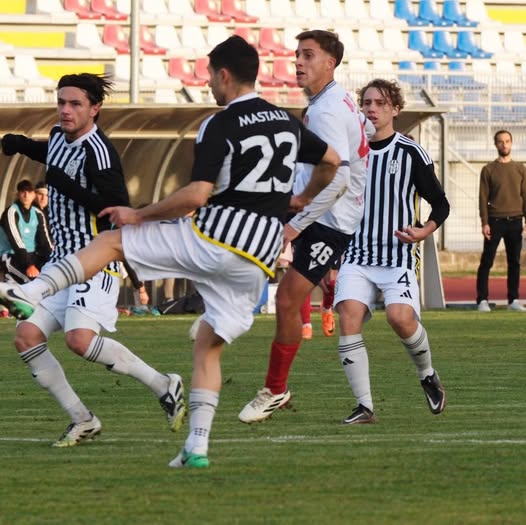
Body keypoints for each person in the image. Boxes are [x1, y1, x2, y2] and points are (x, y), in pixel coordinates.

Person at [0, 36, 341, 468]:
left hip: (217, 237)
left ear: (223, 75)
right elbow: (332, 160)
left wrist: (140, 215)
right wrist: (303, 199)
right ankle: (195, 447)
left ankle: (30, 292)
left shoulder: (218, 124)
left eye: (210, 76)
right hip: (260, 255)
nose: (209, 84)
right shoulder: (286, 121)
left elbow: (196, 196)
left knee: (112, 242)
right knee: (207, 342)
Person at [0, 73, 185, 448]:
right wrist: (21, 145)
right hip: (60, 261)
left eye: (75, 104)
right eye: (61, 102)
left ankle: (164, 384)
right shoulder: (58, 135)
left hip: (94, 259)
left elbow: (118, 210)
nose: (65, 111)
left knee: (79, 340)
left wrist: (66, 186)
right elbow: (52, 155)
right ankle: (82, 419)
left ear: (95, 109)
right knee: (26, 336)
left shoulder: (99, 154)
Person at [239, 29, 369, 424]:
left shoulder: (327, 110)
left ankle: (275, 389)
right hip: (317, 209)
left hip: (329, 220)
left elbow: (339, 177)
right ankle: (222, 312)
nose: (297, 61)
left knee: (287, 299)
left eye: (308, 55)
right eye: (297, 54)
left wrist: (296, 224)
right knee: (240, 234)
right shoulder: (330, 101)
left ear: (330, 63)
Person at [334, 78, 450, 424]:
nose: (372, 109)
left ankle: (427, 374)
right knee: (348, 315)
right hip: (357, 254)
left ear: (395, 110)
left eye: (380, 103)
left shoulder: (410, 152)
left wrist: (423, 231)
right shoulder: (350, 151)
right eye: (367, 103)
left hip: (397, 256)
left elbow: (440, 204)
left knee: (400, 318)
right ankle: (365, 406)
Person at [476, 130, 526, 312]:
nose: (504, 144)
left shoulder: (520, 168)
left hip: (516, 221)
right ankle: (482, 300)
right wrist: (485, 222)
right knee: (487, 261)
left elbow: (525, 195)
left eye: (507, 141)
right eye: (500, 141)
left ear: (511, 143)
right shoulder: (488, 169)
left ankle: (513, 300)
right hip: (495, 221)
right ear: (495, 144)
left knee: (514, 262)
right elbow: (483, 198)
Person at [0, 179, 53, 283]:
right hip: (11, 255)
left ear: (33, 195)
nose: (26, 195)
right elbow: (16, 242)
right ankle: (10, 280)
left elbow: (44, 241)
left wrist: (53, 259)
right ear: (18, 194)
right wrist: (29, 265)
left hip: (31, 256)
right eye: (23, 191)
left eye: (29, 192)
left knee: (50, 279)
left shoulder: (38, 213)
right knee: (33, 283)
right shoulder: (11, 212)